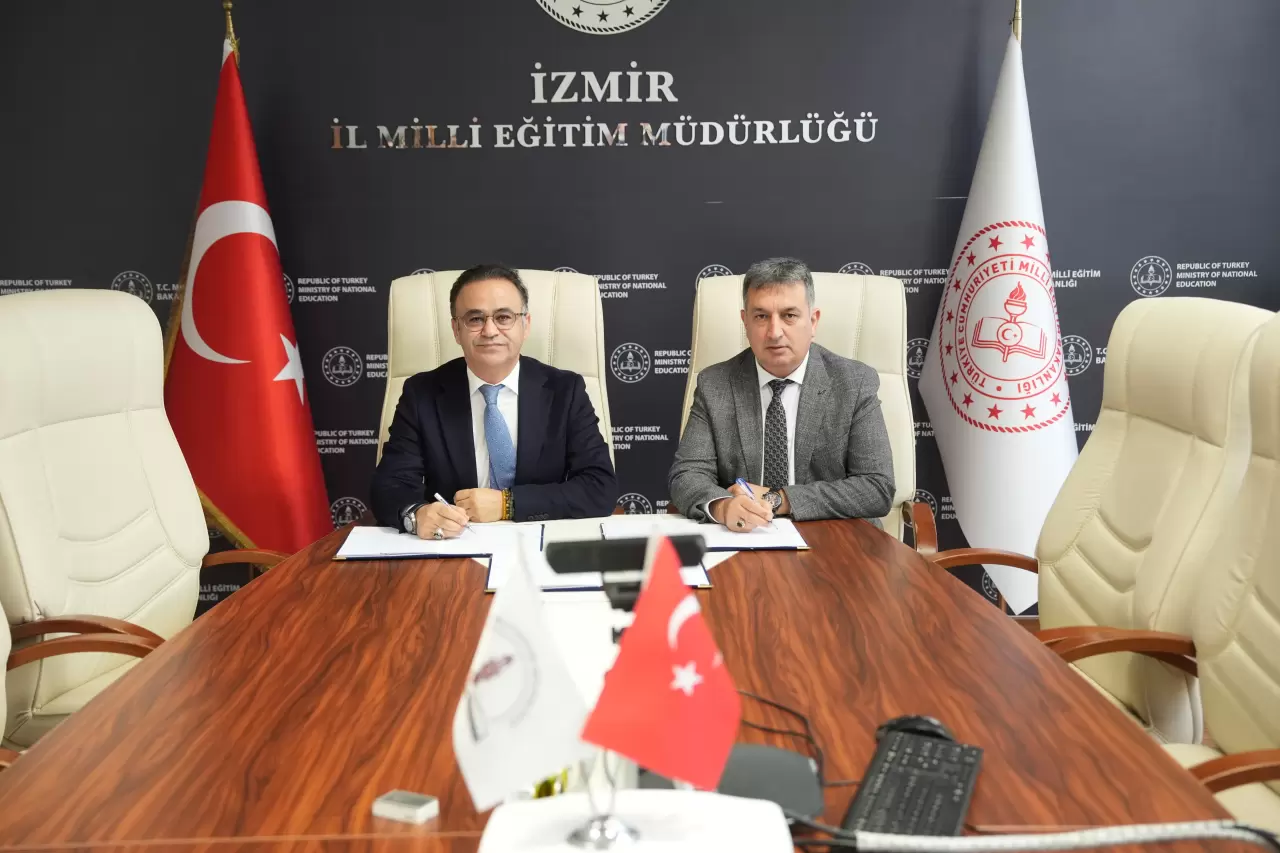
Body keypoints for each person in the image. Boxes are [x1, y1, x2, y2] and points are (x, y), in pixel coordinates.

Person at [372, 264, 618, 538]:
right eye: (475, 319)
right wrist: (416, 515)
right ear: (456, 329)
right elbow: (390, 485)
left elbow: (599, 486)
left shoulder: (565, 391)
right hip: (454, 545)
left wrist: (507, 504)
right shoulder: (422, 394)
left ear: (525, 324)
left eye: (503, 317)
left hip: (540, 542)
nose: (490, 330)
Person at [668, 257, 894, 532]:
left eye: (789, 316)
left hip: (835, 538)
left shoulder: (854, 382)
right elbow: (687, 475)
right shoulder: (715, 385)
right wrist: (722, 506)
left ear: (813, 321)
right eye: (761, 317)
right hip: (745, 536)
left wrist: (780, 499)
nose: (774, 333)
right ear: (745, 322)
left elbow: (876, 487)